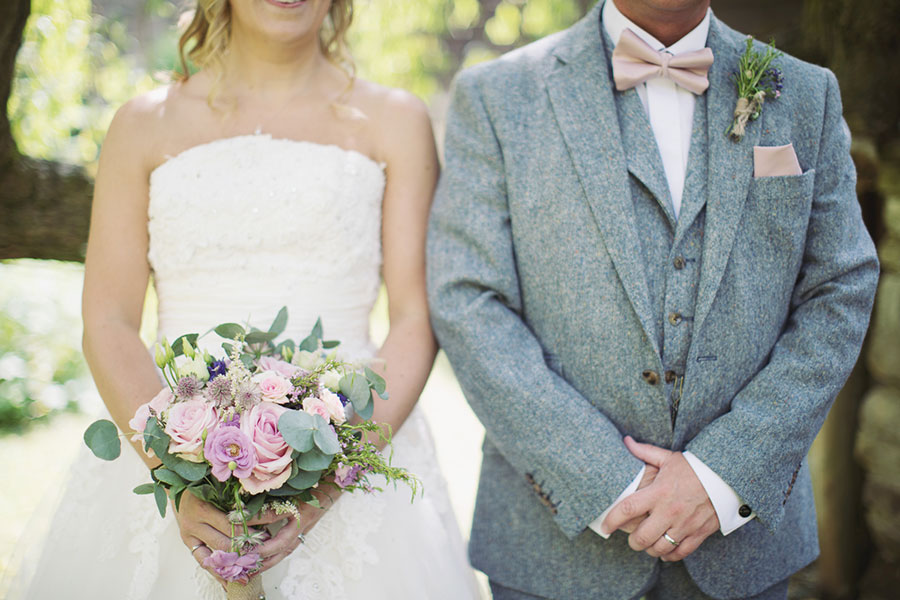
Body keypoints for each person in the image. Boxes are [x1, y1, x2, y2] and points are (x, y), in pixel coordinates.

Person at [9, 1, 480, 598]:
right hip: (169, 446)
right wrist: (176, 477)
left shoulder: (396, 120)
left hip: (355, 452)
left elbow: (414, 319)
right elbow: (108, 319)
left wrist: (328, 483)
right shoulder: (142, 124)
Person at [426, 0, 879, 598]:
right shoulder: (496, 96)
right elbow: (467, 298)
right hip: (552, 555)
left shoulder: (804, 92)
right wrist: (607, 482)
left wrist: (725, 473)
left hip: (743, 552)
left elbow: (839, 287)